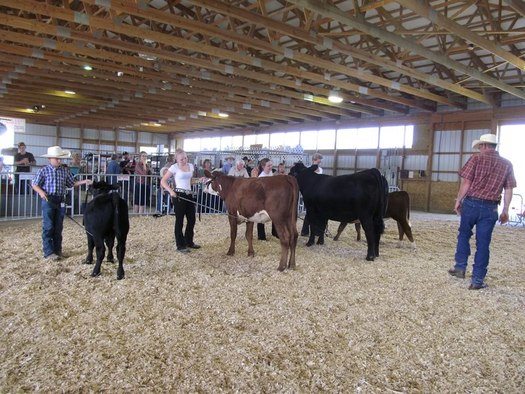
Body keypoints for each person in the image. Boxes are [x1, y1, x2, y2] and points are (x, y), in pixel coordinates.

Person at [448, 133, 516, 290]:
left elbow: (466, 182)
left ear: (485, 145)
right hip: (490, 208)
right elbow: (508, 189)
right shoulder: (507, 164)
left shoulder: (476, 159)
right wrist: (505, 210)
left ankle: (460, 267)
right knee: (483, 244)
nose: (479, 148)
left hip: (471, 204)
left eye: (480, 146)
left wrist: (458, 201)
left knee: (464, 234)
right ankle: (477, 280)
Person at [32, 146, 93, 261]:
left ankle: (57, 250)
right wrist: (41, 192)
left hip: (60, 200)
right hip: (48, 200)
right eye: (57, 158)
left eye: (60, 159)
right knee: (48, 226)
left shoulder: (65, 171)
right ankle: (48, 252)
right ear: (50, 158)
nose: (59, 161)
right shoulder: (44, 170)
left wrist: (84, 181)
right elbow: (35, 184)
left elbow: (72, 183)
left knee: (58, 227)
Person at [161, 148, 200, 253]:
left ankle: (189, 241)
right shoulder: (174, 167)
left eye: (185, 158)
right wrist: (171, 191)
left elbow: (190, 181)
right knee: (180, 221)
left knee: (192, 219)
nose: (184, 160)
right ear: (177, 159)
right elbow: (163, 181)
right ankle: (180, 245)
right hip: (179, 195)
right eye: (181, 159)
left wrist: (199, 181)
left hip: (189, 194)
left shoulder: (191, 166)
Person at [301, 153, 324, 236]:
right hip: (311, 193)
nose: (320, 160)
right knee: (309, 212)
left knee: (318, 212)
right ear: (315, 159)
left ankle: (317, 231)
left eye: (320, 159)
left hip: (319, 192)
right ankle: (305, 231)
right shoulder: (308, 169)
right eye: (319, 159)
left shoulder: (320, 169)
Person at [255, 158, 277, 240]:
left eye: (271, 165)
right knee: (260, 218)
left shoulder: (271, 174)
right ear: (263, 166)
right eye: (268, 165)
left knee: (275, 216)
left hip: (271, 199)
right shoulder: (261, 177)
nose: (271, 167)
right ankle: (261, 236)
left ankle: (275, 232)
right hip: (262, 200)